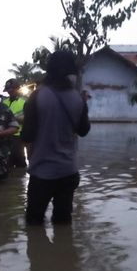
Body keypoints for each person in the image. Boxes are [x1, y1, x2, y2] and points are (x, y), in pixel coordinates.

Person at [21, 50, 91, 225]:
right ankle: (64, 250)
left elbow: (27, 135)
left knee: (34, 224)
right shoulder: (78, 98)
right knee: (63, 222)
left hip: (42, 173)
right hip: (69, 171)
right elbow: (83, 130)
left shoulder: (37, 96)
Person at [2, 78, 27, 168]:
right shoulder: (3, 102)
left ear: (17, 89)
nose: (9, 91)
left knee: (20, 161)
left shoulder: (24, 102)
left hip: (18, 136)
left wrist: (14, 119)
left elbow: (28, 119)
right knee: (7, 161)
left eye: (11, 89)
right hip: (5, 136)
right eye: (8, 89)